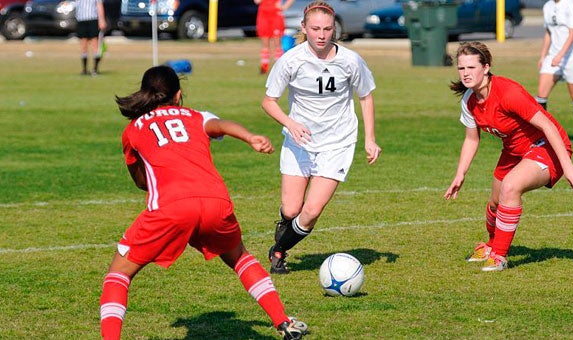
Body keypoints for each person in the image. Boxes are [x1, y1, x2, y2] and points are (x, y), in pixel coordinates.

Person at [99, 66, 308, 340]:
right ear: (178, 94)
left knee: (119, 274)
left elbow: (141, 181)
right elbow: (220, 125)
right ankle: (283, 322)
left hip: (171, 207)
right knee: (241, 258)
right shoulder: (195, 116)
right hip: (215, 201)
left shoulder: (132, 131)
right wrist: (250, 137)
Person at [444, 41, 573, 272]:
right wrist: (459, 175)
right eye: (462, 68)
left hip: (547, 146)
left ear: (486, 67)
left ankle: (499, 256)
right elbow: (472, 139)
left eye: (471, 68)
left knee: (510, 187)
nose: (466, 73)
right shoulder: (469, 100)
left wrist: (568, 166)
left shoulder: (509, 93)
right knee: (494, 201)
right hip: (514, 150)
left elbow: (548, 126)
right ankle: (492, 246)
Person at [260, 1, 382, 274]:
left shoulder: (350, 60)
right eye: (315, 28)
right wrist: (290, 123)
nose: (322, 34)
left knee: (312, 211)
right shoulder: (291, 60)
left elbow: (366, 96)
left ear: (334, 29)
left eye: (327, 28)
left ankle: (279, 250)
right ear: (304, 28)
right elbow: (268, 101)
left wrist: (370, 139)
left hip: (338, 143)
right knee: (292, 210)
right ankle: (285, 229)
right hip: (299, 142)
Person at [536, 0, 573, 145]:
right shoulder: (548, 6)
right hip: (553, 57)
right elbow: (548, 32)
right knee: (540, 97)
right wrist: (543, 55)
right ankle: (542, 135)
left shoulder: (570, 4)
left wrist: (560, 55)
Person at [254, 0, 296, 74]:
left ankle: (279, 67)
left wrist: (284, 7)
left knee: (277, 44)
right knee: (265, 44)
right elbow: (257, 1)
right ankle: (264, 67)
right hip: (263, 15)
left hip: (276, 15)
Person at [75, 0, 106, 76]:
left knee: (94, 43)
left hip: (93, 19)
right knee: (83, 45)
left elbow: (99, 5)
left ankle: (95, 69)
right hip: (81, 19)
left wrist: (102, 19)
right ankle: (84, 69)